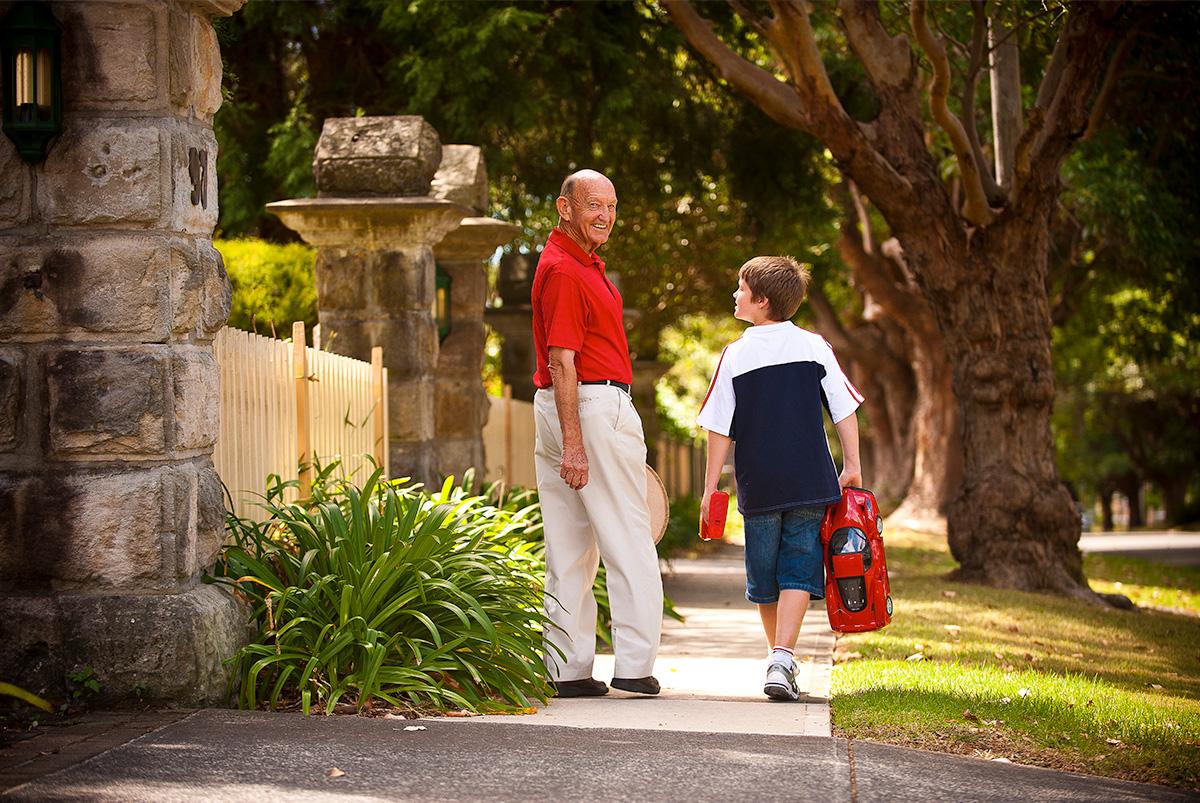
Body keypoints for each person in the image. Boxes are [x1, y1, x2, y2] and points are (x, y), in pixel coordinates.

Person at [696, 256, 863, 701]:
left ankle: (779, 656)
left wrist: (710, 487)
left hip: (761, 482)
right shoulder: (814, 346)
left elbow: (719, 426)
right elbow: (844, 408)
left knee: (764, 575)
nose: (735, 295)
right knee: (798, 568)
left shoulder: (734, 355)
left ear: (761, 301)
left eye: (741, 288)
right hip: (811, 478)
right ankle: (781, 659)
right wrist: (852, 465)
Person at [530, 169, 663, 698]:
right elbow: (563, 360)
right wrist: (577, 443)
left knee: (569, 545)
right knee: (628, 536)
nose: (605, 215)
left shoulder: (576, 264)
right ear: (565, 208)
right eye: (593, 206)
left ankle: (568, 670)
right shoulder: (565, 270)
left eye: (611, 205)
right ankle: (634, 666)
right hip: (589, 404)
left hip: (564, 406)